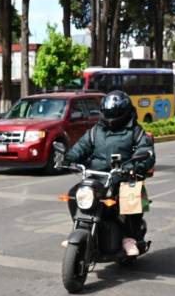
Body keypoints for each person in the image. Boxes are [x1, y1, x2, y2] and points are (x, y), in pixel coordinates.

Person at [63, 90, 155, 256]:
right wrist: (68, 158)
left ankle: (129, 237)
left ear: (124, 112)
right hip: (97, 176)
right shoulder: (95, 131)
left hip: (124, 177)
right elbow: (81, 147)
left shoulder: (135, 131)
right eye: (108, 113)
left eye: (115, 113)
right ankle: (79, 228)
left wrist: (135, 166)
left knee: (131, 195)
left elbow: (146, 151)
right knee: (73, 194)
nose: (111, 117)